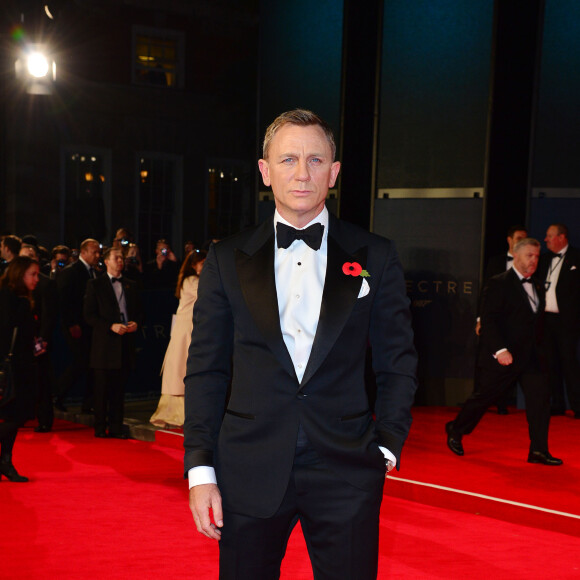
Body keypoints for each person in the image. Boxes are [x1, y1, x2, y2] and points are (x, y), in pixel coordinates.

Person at [183, 109, 418, 579]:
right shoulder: (226, 258)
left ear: (333, 172)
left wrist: (388, 443)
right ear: (265, 171)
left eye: (315, 160)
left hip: (347, 468)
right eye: (288, 159)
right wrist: (200, 471)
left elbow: (398, 359)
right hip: (248, 466)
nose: (302, 173)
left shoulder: (375, 254)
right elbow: (207, 370)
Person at [446, 238, 562, 466]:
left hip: (532, 357)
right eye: (529, 255)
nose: (534, 261)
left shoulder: (537, 284)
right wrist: (500, 350)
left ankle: (538, 450)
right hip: (505, 356)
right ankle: (456, 429)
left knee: (540, 402)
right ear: (516, 256)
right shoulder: (498, 283)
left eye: (537, 257)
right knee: (484, 397)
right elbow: (489, 320)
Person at [84, 247, 143, 438]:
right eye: (116, 257)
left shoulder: (131, 285)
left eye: (122, 258)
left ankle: (116, 427)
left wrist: (136, 323)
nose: (121, 260)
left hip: (125, 343)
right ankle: (100, 427)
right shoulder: (95, 284)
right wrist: (110, 326)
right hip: (104, 344)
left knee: (119, 389)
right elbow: (89, 315)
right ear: (107, 261)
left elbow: (141, 311)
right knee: (101, 389)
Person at [150, 249, 206, 428]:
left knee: (183, 368)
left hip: (189, 330)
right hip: (185, 332)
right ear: (193, 266)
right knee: (182, 368)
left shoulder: (193, 281)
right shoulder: (192, 281)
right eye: (203, 264)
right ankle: (178, 412)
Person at [0, 257, 45, 482]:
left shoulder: (23, 298)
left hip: (22, 366)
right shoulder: (8, 298)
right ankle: (5, 461)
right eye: (33, 274)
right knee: (13, 414)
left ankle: (6, 461)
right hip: (10, 368)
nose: (37, 279)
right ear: (20, 274)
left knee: (15, 415)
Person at [476, 225, 528, 414]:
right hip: (495, 319)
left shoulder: (530, 264)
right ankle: (488, 399)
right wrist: (480, 318)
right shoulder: (496, 262)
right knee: (492, 358)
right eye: (518, 238)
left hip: (516, 322)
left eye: (524, 238)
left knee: (514, 360)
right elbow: (486, 293)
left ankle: (505, 400)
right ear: (509, 240)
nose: (521, 242)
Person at [54, 239, 101, 412]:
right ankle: (57, 395)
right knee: (82, 362)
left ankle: (88, 404)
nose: (97, 256)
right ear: (83, 252)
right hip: (75, 326)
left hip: (90, 326)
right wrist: (72, 323)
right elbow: (64, 300)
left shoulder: (95, 272)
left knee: (91, 364)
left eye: (98, 253)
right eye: (94, 252)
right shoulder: (71, 271)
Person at [538, 223, 580, 417]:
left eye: (549, 236)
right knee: (550, 363)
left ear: (562, 237)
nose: (545, 239)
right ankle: (557, 403)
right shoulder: (544, 259)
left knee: (569, 363)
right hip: (546, 320)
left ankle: (577, 405)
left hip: (567, 321)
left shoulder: (577, 257)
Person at [19, 245, 59, 432]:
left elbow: (49, 314)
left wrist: (42, 339)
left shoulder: (45, 283)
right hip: (17, 340)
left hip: (37, 341)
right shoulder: (10, 284)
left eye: (31, 256)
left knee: (42, 381)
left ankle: (44, 419)